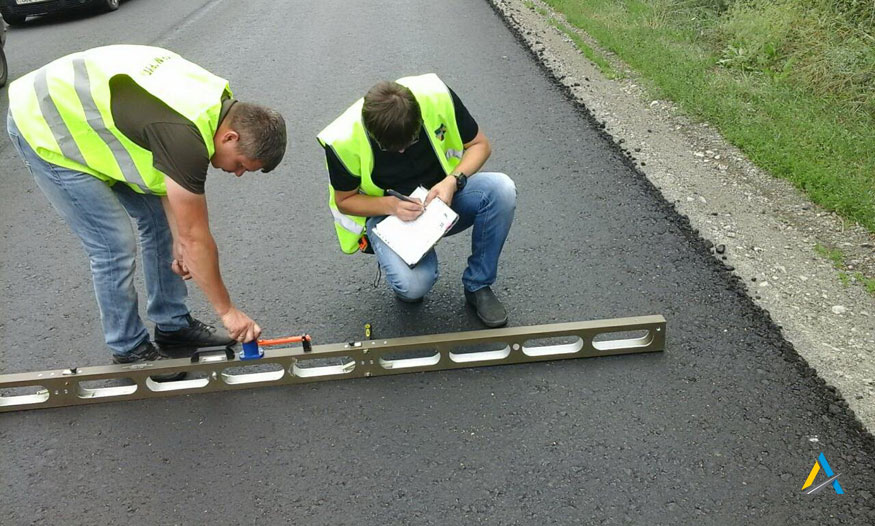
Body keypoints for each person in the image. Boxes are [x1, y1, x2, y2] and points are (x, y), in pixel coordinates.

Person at [6, 45, 286, 370]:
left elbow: (169, 187)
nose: (237, 174)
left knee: (161, 224)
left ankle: (173, 326)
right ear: (230, 137)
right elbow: (197, 239)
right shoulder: (185, 137)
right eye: (241, 165)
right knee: (112, 244)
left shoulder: (217, 105)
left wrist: (181, 240)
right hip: (45, 122)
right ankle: (128, 348)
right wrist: (227, 312)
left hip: (96, 118)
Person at [317, 74, 516, 327]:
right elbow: (345, 200)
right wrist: (392, 206)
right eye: (391, 148)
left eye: (409, 142)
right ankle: (408, 267)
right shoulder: (343, 140)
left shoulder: (436, 97)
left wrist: (452, 181)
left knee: (502, 189)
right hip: (390, 217)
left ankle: (478, 285)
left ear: (419, 120)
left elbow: (480, 145)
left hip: (443, 200)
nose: (401, 152)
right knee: (412, 288)